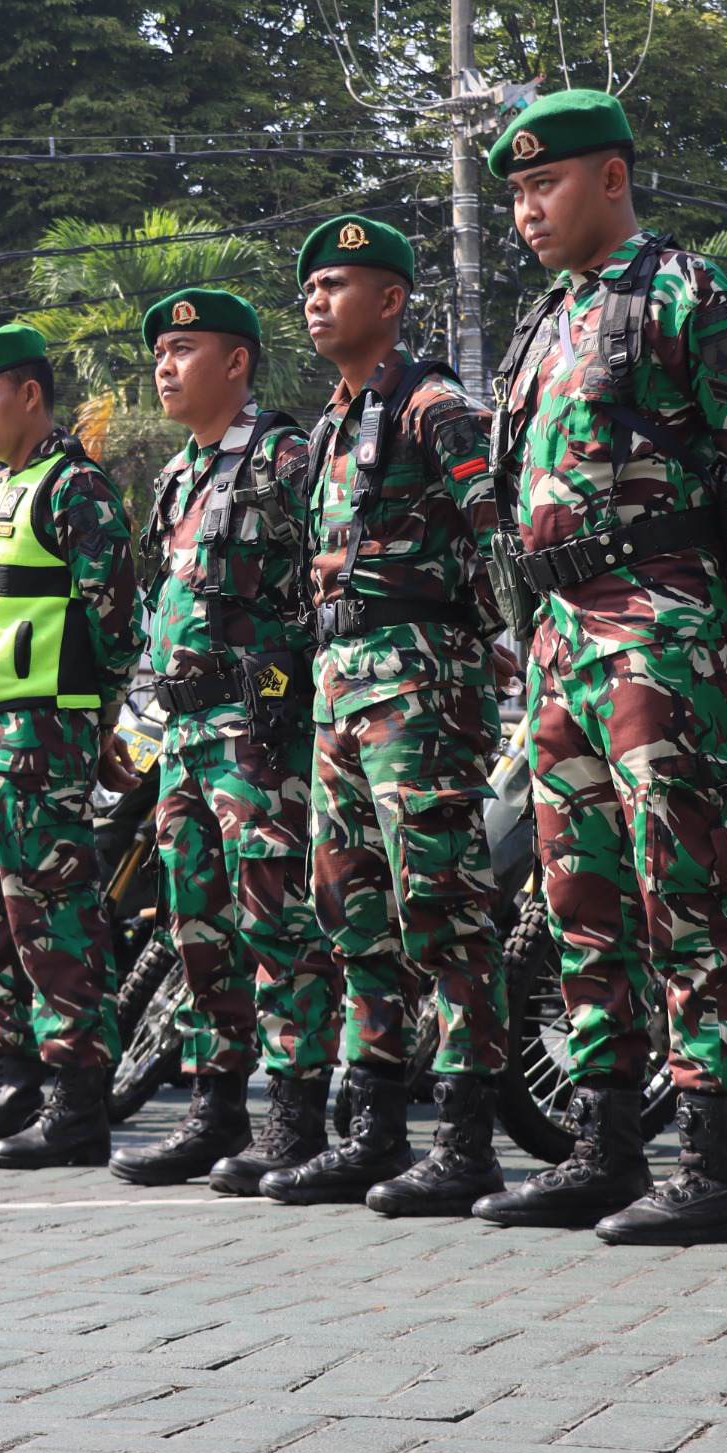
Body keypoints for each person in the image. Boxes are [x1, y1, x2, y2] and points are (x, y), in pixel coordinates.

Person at [466, 89, 727, 1245]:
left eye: (543, 184)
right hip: (561, 635)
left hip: (659, 617)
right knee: (577, 889)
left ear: (610, 176)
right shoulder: (542, 324)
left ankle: (715, 1162)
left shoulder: (681, 294)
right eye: (513, 192)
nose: (525, 210)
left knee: (685, 885)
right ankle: (607, 1148)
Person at [261, 218, 509, 1217]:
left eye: (336, 284)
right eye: (310, 287)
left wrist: (509, 652)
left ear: (391, 299)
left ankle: (466, 1136)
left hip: (419, 680)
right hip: (337, 685)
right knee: (352, 911)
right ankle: (373, 1131)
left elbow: (500, 525)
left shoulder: (431, 404)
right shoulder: (327, 427)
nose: (316, 301)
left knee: (440, 907)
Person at [105, 289, 338, 1191]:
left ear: (236, 363)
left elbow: (325, 584)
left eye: (184, 349)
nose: (164, 366)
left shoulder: (285, 457)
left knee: (275, 916)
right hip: (184, 730)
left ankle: (299, 1112)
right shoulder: (176, 477)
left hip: (258, 728)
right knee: (195, 922)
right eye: (159, 351)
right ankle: (215, 1110)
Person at [0, 323, 139, 1169]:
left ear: (29, 396)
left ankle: (76, 1102)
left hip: (40, 732)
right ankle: (11, 1083)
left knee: (51, 918)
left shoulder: (73, 486)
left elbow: (114, 615)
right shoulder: (0, 495)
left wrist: (102, 717)